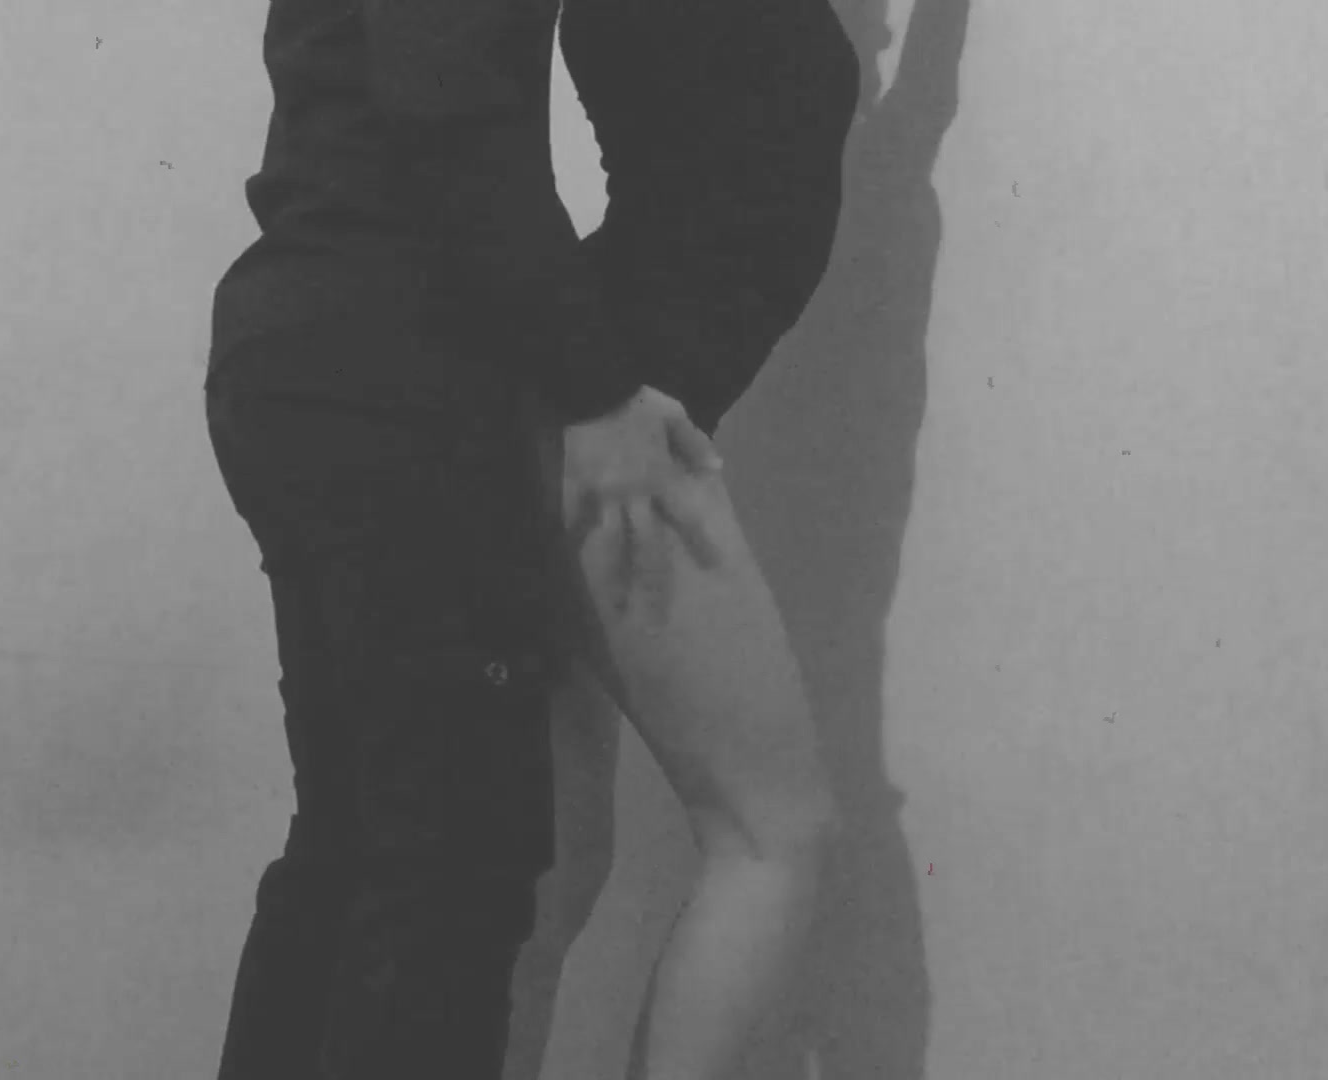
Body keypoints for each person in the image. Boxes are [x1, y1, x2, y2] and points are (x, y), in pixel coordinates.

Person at [202, 0, 857, 1078]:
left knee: (486, 868)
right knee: (762, 834)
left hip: (418, 360)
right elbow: (444, 103)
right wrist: (595, 394)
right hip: (536, 389)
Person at [505, 1, 863, 1077]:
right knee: (773, 836)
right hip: (608, 421)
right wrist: (596, 399)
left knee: (548, 872)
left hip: (576, 409)